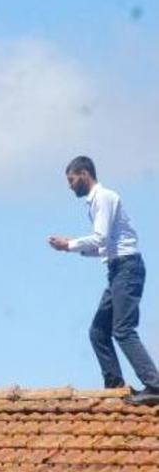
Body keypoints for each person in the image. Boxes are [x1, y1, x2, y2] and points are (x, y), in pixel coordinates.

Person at [49, 156, 159, 406]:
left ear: (84, 174)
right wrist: (71, 249)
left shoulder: (104, 198)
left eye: (72, 180)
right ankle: (115, 387)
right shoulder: (95, 203)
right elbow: (103, 247)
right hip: (117, 270)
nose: (70, 186)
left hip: (126, 269)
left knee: (123, 330)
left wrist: (70, 244)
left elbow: (100, 238)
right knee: (98, 331)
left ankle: (154, 385)